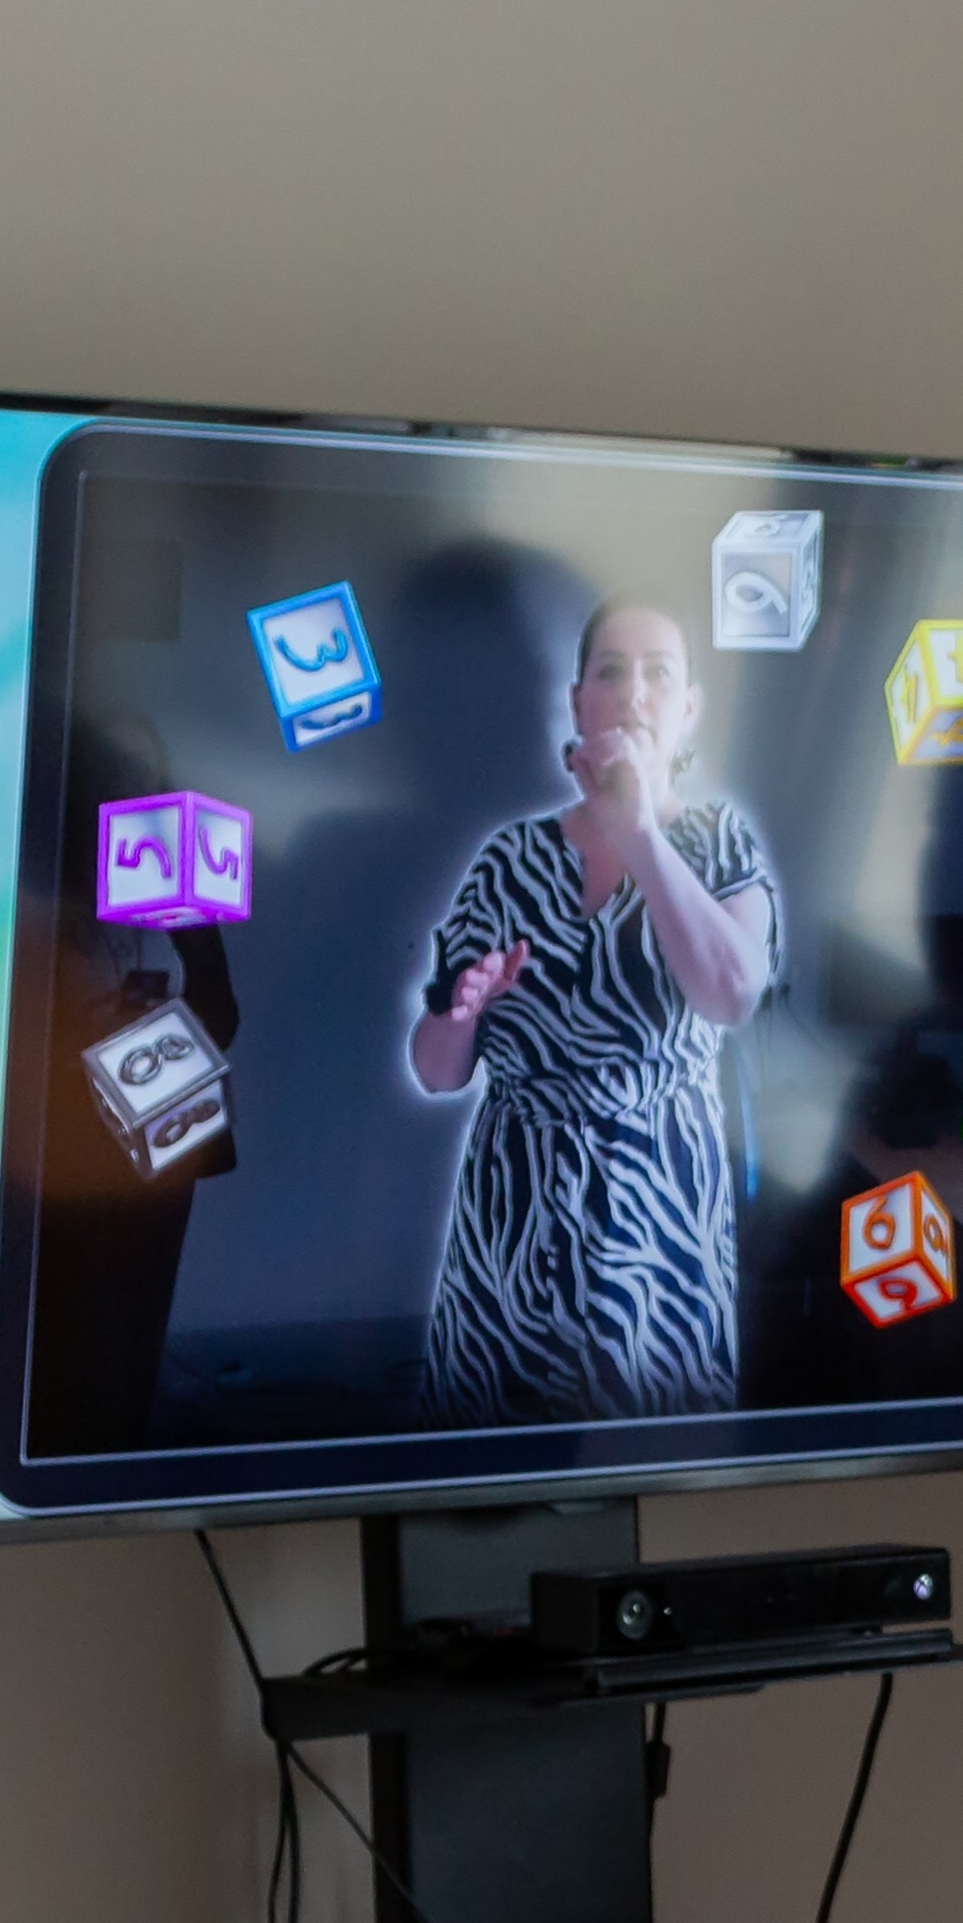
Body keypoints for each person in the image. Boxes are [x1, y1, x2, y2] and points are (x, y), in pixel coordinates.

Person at [410, 600, 782, 1423]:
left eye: (659, 673)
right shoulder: (507, 859)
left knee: (651, 1455)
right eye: (610, 671)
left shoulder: (720, 842)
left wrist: (639, 829)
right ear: (579, 702)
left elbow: (731, 993)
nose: (633, 692)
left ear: (688, 708)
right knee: (493, 1459)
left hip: (659, 1211)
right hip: (511, 1212)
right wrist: (460, 1009)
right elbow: (434, 1072)